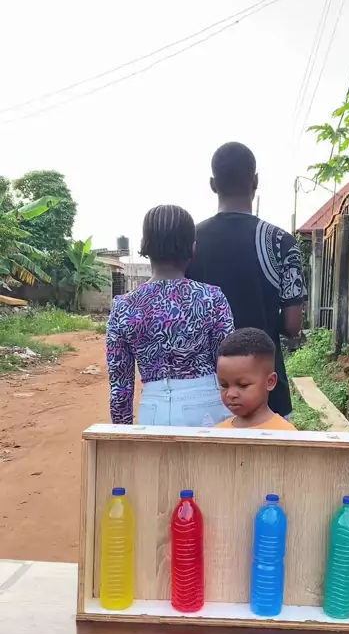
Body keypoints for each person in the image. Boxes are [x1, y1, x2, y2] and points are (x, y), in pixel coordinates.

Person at [186, 142, 307, 421]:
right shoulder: (281, 243)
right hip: (267, 395)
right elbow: (293, 325)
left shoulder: (190, 242)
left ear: (213, 184)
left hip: (206, 395)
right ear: (255, 181)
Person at [106, 205, 234, 427]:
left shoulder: (124, 307)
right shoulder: (211, 297)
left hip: (153, 410)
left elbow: (121, 387)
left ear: (145, 246)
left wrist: (121, 433)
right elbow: (228, 364)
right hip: (208, 407)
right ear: (193, 247)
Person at [215, 328, 297, 430]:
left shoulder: (285, 433)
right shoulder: (218, 432)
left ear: (270, 382)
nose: (230, 394)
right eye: (224, 385)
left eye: (243, 385)